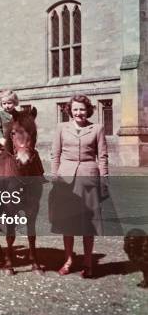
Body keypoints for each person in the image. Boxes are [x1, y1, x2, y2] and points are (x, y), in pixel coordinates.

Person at [50, 94, 108, 279]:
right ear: (69, 110)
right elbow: (55, 155)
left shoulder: (97, 129)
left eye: (82, 109)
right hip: (66, 180)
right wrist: (55, 176)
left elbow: (103, 157)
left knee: (87, 224)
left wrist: (104, 182)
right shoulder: (61, 128)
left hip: (88, 179)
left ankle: (88, 262)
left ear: (88, 110)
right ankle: (68, 260)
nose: (78, 113)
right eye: (75, 109)